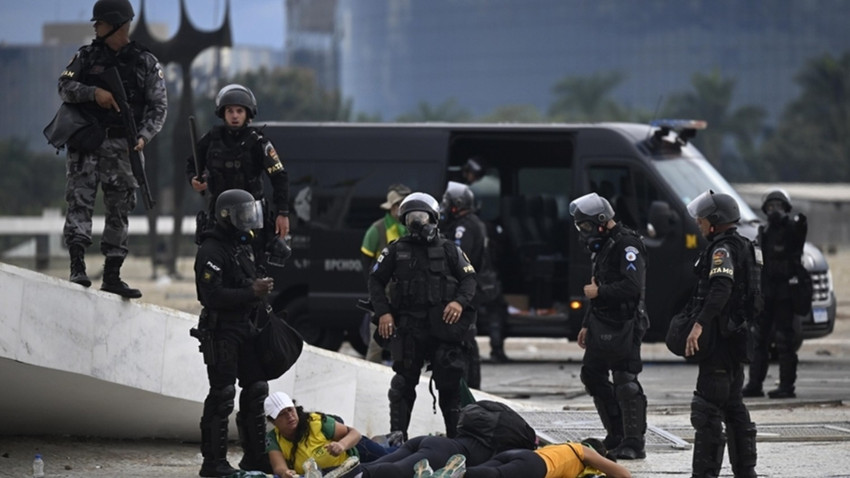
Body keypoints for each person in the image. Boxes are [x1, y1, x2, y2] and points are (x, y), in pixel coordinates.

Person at [61, 0, 167, 298]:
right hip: (87, 141)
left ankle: (112, 275)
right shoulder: (86, 56)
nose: (95, 26)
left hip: (124, 145)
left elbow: (159, 107)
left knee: (120, 209)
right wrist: (95, 93)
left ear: (117, 24)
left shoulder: (145, 62)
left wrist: (144, 136)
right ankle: (77, 267)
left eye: (101, 22)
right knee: (79, 201)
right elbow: (64, 86)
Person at [368, 192, 477, 441]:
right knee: (402, 386)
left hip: (443, 329)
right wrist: (384, 313)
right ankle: (398, 437)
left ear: (434, 218)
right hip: (409, 329)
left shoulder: (449, 248)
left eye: (421, 217)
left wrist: (459, 303)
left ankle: (456, 442)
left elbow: (469, 279)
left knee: (450, 386)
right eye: (411, 218)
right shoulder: (396, 251)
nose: (417, 223)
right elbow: (375, 279)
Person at [193, 189, 275, 477]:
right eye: (243, 214)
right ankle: (213, 462)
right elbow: (211, 295)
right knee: (223, 394)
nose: (248, 220)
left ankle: (255, 457)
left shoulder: (243, 245)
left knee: (256, 390)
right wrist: (250, 291)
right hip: (222, 331)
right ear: (226, 216)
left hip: (247, 327)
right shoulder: (212, 250)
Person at [569, 192, 649, 460]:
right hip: (601, 321)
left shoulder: (627, 244)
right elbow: (596, 284)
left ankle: (633, 442)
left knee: (625, 380)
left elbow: (631, 286)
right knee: (592, 375)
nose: (584, 232)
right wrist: (586, 324)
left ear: (602, 221)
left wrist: (599, 293)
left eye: (587, 226)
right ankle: (615, 432)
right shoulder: (604, 245)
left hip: (626, 322)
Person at [684, 190, 758, 478]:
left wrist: (699, 324)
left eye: (702, 221)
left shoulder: (722, 250)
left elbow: (721, 288)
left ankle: (705, 473)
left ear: (715, 221)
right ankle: (745, 471)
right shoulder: (744, 246)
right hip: (736, 338)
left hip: (720, 342)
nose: (699, 225)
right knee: (733, 405)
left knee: (706, 410)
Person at [186, 83, 290, 270]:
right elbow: (191, 164)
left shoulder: (259, 143)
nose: (234, 116)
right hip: (218, 218)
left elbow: (279, 177)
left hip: (251, 219)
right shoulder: (211, 139)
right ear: (223, 114)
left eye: (239, 111)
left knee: (250, 271)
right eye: (230, 111)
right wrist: (194, 179)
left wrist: (283, 213)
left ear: (247, 114)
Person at [440, 181, 510, 385]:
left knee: (465, 336)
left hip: (467, 287)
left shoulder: (463, 228)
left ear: (457, 204)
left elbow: (460, 258)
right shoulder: (474, 222)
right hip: (477, 283)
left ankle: (469, 386)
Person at [743, 189, 808, 399]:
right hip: (767, 291)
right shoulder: (765, 231)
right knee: (758, 338)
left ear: (786, 208)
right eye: (770, 206)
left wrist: (795, 222)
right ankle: (754, 384)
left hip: (786, 293)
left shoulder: (793, 228)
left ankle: (787, 386)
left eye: (778, 206)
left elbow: (800, 234)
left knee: (784, 340)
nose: (774, 210)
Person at [264, 391, 391, 478]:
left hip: (358, 450)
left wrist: (341, 445)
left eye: (290, 410)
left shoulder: (314, 421)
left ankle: (388, 442)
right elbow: (279, 467)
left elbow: (354, 433)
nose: (289, 416)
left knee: (391, 458)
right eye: (281, 414)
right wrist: (286, 473)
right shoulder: (274, 439)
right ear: (273, 421)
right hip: (340, 473)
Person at [360, 184, 412, 363]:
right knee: (376, 345)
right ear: (392, 207)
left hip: (406, 297)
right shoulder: (377, 229)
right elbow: (366, 262)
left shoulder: (411, 228)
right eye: (399, 205)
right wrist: (376, 294)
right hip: (384, 296)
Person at [418, 438, 631, 478]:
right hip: (533, 465)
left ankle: (442, 473)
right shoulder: (582, 452)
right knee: (495, 475)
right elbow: (624, 474)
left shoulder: (561, 448)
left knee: (492, 470)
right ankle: (457, 475)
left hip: (520, 455)